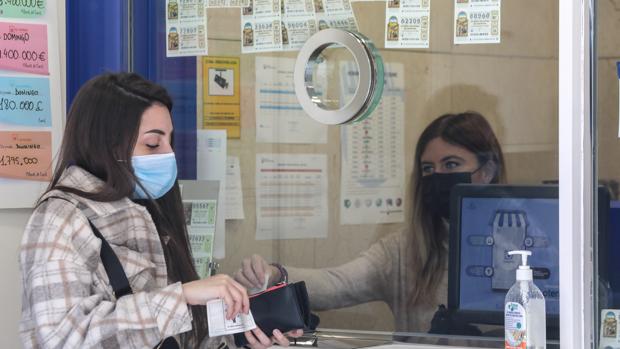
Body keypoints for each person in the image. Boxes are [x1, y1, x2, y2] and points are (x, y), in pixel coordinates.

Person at [19, 73, 300, 348]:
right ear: (107, 143)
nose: (169, 154)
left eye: (169, 141)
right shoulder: (60, 217)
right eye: (153, 143)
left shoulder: (150, 210)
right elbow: (61, 339)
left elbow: (180, 335)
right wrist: (182, 296)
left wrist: (244, 329)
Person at [234, 112, 506, 333]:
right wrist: (275, 275)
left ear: (487, 171)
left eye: (451, 164)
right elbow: (336, 284)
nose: (437, 176)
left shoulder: (518, 245)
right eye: (428, 169)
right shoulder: (402, 251)